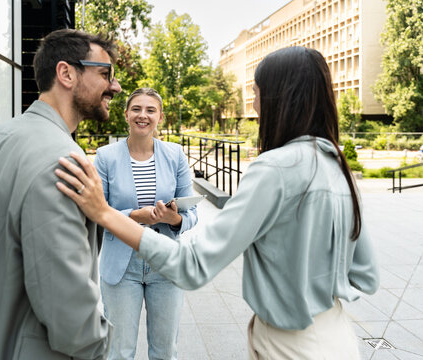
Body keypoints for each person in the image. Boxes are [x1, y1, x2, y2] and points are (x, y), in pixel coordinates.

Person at [55, 46, 380, 359]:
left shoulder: (272, 170)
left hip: (288, 344)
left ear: (280, 97)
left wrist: (103, 212)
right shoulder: (340, 167)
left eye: (256, 92)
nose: (253, 103)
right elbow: (365, 276)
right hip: (337, 337)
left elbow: (192, 266)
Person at [0, 29, 122, 360]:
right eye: (105, 74)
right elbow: (71, 317)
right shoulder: (63, 161)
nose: (115, 87)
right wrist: (100, 345)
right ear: (66, 73)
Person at [94, 88, 198, 360]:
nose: (143, 115)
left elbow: (192, 212)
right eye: (137, 109)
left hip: (165, 262)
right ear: (126, 114)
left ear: (160, 116)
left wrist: (173, 218)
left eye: (150, 110)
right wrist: (134, 216)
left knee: (165, 352)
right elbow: (96, 212)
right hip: (121, 265)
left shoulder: (175, 155)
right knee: (120, 352)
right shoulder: (105, 157)